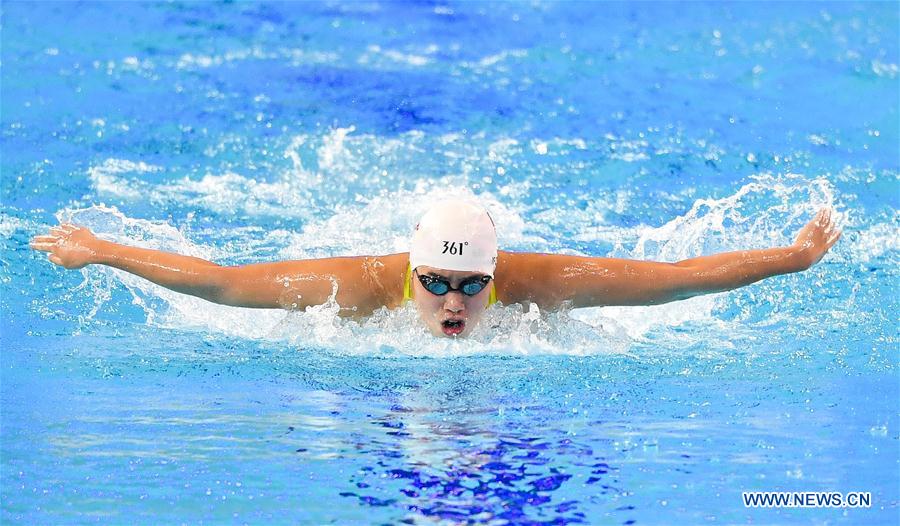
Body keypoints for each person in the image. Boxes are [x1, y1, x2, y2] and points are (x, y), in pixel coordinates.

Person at [30, 199, 841, 338]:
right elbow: (219, 280)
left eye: (471, 285)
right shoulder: (356, 287)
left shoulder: (538, 283)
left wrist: (793, 259)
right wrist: (100, 249)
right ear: (411, 272)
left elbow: (678, 277)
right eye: (437, 283)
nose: (454, 303)